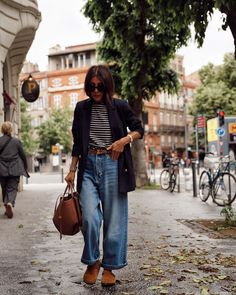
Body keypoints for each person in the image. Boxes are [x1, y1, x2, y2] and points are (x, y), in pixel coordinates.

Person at [65, 65, 144, 287]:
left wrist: (122, 141)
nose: (96, 90)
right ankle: (92, 261)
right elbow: (77, 142)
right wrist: (72, 170)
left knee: (114, 219)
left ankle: (109, 267)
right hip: (88, 165)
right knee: (89, 216)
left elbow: (139, 129)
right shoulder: (81, 108)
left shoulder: (119, 106)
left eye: (100, 86)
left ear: (107, 86)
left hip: (113, 165)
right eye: (92, 86)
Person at [0, 121, 29, 218]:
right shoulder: (16, 141)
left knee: (4, 187)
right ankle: (10, 203)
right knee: (12, 188)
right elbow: (22, 155)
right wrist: (25, 166)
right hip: (15, 168)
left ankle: (6, 206)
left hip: (2, 169)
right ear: (11, 130)